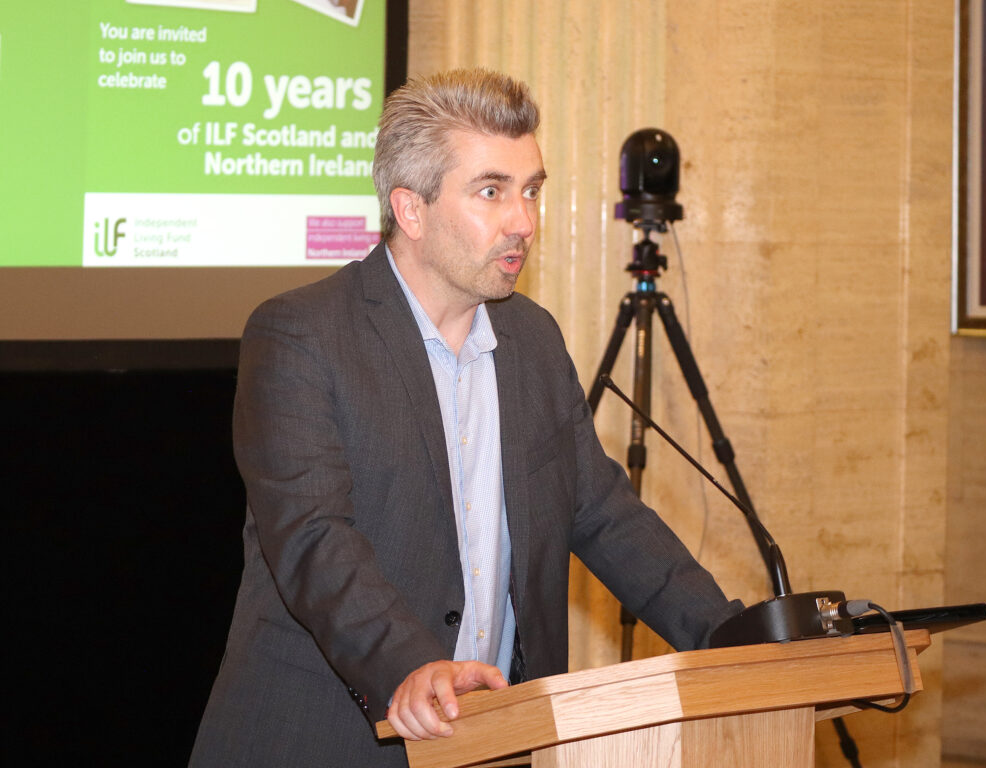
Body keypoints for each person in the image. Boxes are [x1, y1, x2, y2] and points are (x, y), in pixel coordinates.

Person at [189, 68, 741, 768]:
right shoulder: (302, 334)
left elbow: (604, 513)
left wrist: (730, 637)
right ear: (410, 211)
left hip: (499, 741)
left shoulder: (532, 341)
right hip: (326, 736)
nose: (524, 221)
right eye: (492, 192)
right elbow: (312, 540)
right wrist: (412, 666)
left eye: (531, 189)